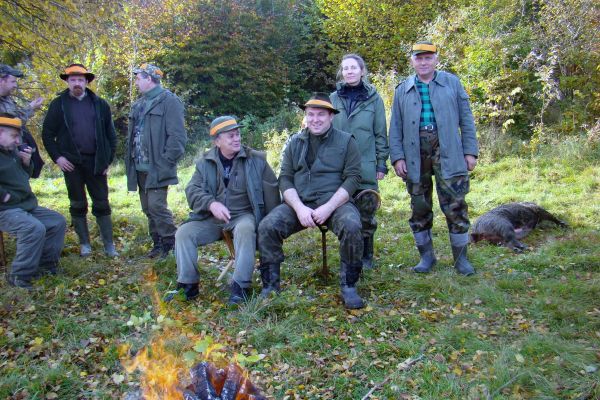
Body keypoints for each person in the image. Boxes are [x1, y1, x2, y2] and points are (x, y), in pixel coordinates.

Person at [257, 93, 365, 309]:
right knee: (267, 226)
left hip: (335, 203)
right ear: (305, 116)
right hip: (300, 203)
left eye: (321, 115)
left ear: (331, 116)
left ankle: (349, 285)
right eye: (310, 114)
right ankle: (270, 285)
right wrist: (299, 208)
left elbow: (353, 178)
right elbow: (285, 178)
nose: (315, 119)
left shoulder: (346, 141)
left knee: (352, 226)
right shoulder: (294, 143)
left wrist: (329, 207)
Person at [389, 41, 479, 276]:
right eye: (418, 58)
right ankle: (426, 257)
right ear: (412, 61)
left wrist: (470, 151)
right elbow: (395, 127)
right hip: (414, 153)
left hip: (449, 150)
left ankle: (461, 259)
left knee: (455, 204)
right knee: (419, 205)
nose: (423, 62)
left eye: (428, 57)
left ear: (436, 59)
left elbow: (466, 119)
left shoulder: (452, 83)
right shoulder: (403, 89)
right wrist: (397, 157)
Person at [173, 116, 280, 303]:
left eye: (238, 134)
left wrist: (271, 228)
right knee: (183, 233)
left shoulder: (257, 160)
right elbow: (192, 190)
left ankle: (241, 287)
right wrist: (211, 204)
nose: (236, 139)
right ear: (217, 141)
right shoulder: (204, 163)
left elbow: (272, 192)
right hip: (212, 218)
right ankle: (188, 286)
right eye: (230, 136)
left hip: (243, 215)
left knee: (246, 229)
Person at [42, 64, 118, 257]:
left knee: (102, 203)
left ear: (87, 82)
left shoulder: (100, 104)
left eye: (80, 80)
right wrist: (58, 158)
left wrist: (107, 160)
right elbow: (47, 134)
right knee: (77, 204)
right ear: (67, 82)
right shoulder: (58, 105)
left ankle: (109, 245)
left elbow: (111, 135)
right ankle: (85, 244)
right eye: (73, 80)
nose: (77, 83)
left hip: (96, 162)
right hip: (71, 164)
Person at [330, 53, 389, 269]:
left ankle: (366, 257)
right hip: (337, 167)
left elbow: (380, 134)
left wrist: (381, 163)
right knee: (343, 213)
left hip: (366, 165)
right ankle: (348, 254)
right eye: (345, 68)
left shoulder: (374, 99)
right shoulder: (333, 99)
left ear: (362, 71)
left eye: (353, 67)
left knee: (366, 213)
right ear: (342, 72)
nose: (349, 71)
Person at [126, 63, 187, 258]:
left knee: (157, 207)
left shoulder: (170, 101)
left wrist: (164, 163)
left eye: (138, 78)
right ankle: (158, 244)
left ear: (149, 79)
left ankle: (172, 244)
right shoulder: (138, 104)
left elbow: (178, 138)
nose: (136, 82)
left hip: (157, 167)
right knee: (147, 208)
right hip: (138, 167)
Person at [0, 114, 66, 289]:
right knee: (33, 228)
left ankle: (45, 267)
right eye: (14, 136)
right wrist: (3, 196)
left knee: (57, 222)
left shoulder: (11, 152)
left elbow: (24, 177)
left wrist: (26, 162)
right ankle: (19, 277)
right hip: (5, 209)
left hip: (24, 205)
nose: (18, 141)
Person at [0, 64, 45, 177]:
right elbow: (13, 123)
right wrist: (31, 108)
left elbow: (15, 119)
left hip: (13, 155)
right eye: (13, 82)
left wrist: (31, 107)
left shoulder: (7, 99)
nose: (15, 85)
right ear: (1, 81)